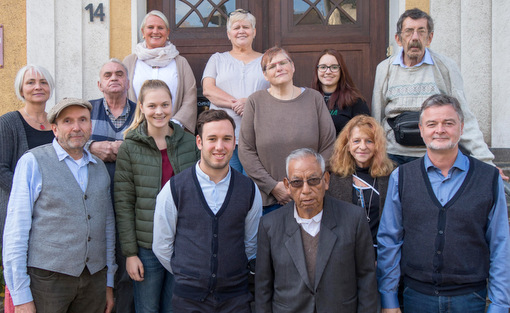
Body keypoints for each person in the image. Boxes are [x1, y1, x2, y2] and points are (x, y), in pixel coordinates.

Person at [377, 94, 510, 313]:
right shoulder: (401, 177)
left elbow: (500, 245)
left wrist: (500, 305)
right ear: (421, 130)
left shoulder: (488, 178)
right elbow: (389, 240)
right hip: (416, 298)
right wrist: (388, 299)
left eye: (448, 123)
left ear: (461, 127)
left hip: (470, 299)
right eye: (432, 124)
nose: (440, 130)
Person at [3, 98, 117, 313]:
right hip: (47, 281)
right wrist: (20, 296)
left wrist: (108, 281)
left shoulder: (99, 167)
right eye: (67, 121)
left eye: (82, 120)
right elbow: (16, 231)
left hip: (94, 280)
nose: (76, 127)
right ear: (54, 129)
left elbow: (107, 226)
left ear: (90, 126)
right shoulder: (32, 162)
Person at [153, 109, 262, 312]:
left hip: (235, 299)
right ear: (199, 142)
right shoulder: (175, 188)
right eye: (212, 139)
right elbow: (162, 245)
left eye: (226, 139)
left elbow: (251, 245)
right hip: (188, 301)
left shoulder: (249, 190)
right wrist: (190, 275)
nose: (219, 147)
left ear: (234, 142)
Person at [255, 148, 377, 313]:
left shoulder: (354, 219)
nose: (306, 190)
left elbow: (367, 279)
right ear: (287, 186)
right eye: (297, 182)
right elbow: (263, 289)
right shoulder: (270, 225)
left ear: (326, 180)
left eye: (313, 180)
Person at [114, 80, 199, 313]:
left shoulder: (190, 143)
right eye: (152, 106)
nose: (159, 111)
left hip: (181, 245)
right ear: (141, 106)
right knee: (147, 309)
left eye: (165, 104)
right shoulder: (129, 148)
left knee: (175, 308)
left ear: (173, 105)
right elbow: (123, 203)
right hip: (146, 247)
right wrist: (131, 254)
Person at [371, 8, 495, 167]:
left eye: (421, 31)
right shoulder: (384, 68)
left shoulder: (446, 67)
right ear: (398, 38)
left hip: (435, 154)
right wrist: (377, 155)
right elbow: (377, 115)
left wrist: (486, 162)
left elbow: (464, 115)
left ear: (430, 37)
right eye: (409, 31)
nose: (415, 38)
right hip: (394, 154)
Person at [239, 46, 336, 214]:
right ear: (265, 74)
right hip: (269, 201)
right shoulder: (255, 102)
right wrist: (273, 187)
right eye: (272, 66)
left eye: (283, 62)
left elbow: (330, 146)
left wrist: (306, 184)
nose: (279, 68)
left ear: (293, 67)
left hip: (311, 196)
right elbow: (246, 150)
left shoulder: (314, 99)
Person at [0, 65, 56, 312]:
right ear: (21, 89)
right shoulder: (9, 122)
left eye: (43, 82)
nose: (37, 87)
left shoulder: (56, 122)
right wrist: (31, 198)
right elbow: (1, 169)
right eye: (31, 82)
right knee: (21, 269)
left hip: (51, 215)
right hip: (19, 212)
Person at [87, 58, 137, 313]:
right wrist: (91, 146)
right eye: (108, 75)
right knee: (96, 258)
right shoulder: (85, 111)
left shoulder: (142, 111)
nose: (114, 78)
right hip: (93, 201)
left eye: (120, 74)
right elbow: (64, 142)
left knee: (127, 258)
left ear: (128, 82)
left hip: (132, 203)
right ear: (99, 83)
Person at [202, 8, 269, 173]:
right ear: (228, 34)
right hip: (223, 139)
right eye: (236, 27)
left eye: (246, 27)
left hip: (257, 138)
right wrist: (238, 104)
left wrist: (250, 104)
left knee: (254, 187)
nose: (241, 31)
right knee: (226, 185)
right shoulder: (218, 59)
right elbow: (208, 90)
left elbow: (276, 92)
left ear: (253, 32)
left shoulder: (266, 60)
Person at [327, 115, 394, 254]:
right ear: (347, 145)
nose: (362, 147)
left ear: (377, 146)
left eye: (369, 141)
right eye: (356, 141)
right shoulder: (335, 179)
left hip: (381, 254)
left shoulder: (390, 177)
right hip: (346, 254)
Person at [123, 10, 197, 133]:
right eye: (150, 27)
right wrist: (135, 125)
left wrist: (174, 125)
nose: (155, 31)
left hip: (172, 133)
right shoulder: (130, 62)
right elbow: (121, 97)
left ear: (167, 32)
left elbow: (190, 97)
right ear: (143, 32)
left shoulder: (180, 62)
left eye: (160, 28)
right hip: (137, 131)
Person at [311, 49, 369, 135]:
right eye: (323, 67)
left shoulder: (355, 101)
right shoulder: (309, 99)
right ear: (317, 70)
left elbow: (365, 134)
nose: (328, 72)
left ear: (341, 71)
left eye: (334, 67)